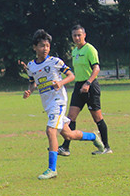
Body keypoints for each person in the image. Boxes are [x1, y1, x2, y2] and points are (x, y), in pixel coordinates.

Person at [23, 29, 105, 180]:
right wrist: (29, 91)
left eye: (47, 45)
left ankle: (51, 169)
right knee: (68, 134)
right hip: (47, 104)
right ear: (35, 47)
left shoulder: (55, 62)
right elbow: (32, 82)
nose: (45, 48)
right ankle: (93, 137)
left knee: (50, 131)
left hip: (58, 101)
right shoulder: (31, 66)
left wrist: (60, 82)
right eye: (42, 45)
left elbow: (71, 75)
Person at [58, 24, 111, 156]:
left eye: (79, 35)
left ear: (84, 35)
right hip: (78, 86)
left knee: (97, 117)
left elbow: (96, 68)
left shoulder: (90, 49)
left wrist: (88, 83)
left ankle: (106, 147)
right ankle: (66, 147)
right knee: (71, 117)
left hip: (90, 86)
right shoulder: (75, 51)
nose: (77, 38)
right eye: (74, 35)